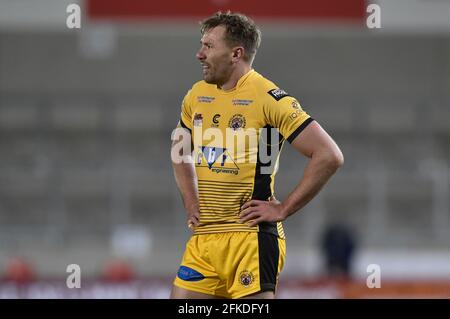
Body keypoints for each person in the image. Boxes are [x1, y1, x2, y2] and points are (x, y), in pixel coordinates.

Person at [170, 11, 344, 299]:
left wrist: (283, 208)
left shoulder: (268, 98)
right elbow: (179, 151)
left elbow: (328, 155)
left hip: (250, 238)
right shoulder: (195, 96)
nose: (199, 54)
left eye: (209, 46)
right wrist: (191, 199)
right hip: (204, 239)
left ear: (236, 53)